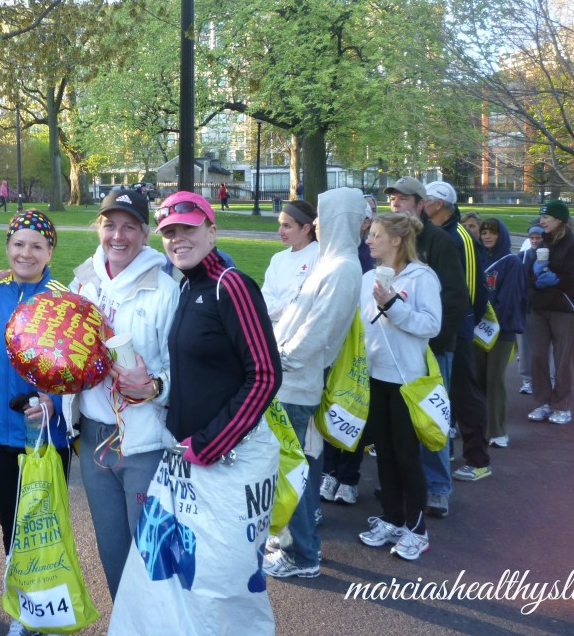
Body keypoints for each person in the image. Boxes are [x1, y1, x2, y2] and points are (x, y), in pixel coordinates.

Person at [108, 191, 281, 634]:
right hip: (183, 465)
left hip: (229, 462)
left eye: (188, 228)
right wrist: (156, 389)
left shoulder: (232, 284)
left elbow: (264, 375)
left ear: (212, 230)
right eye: (170, 232)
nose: (178, 239)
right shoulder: (188, 286)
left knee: (221, 585)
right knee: (168, 575)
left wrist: (208, 444)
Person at [65, 188, 179, 600]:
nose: (118, 236)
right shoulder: (83, 282)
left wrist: (153, 387)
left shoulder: (165, 290)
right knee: (111, 550)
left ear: (145, 233)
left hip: (144, 442)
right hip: (94, 438)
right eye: (110, 225)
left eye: (129, 226)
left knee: (151, 551)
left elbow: (183, 369)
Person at [263, 188, 365, 580]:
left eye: (323, 215)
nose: (317, 222)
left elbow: (320, 329)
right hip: (290, 377)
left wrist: (282, 357)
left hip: (297, 381)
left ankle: (302, 554)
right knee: (291, 466)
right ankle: (290, 538)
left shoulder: (342, 267)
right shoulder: (332, 262)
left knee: (295, 470)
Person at [0, 210, 70, 636]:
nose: (26, 252)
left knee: (38, 530)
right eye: (18, 243)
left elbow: (80, 368)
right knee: (10, 528)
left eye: (37, 245)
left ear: (51, 250)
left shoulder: (63, 299)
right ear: (7, 248)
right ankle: (24, 608)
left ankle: (37, 613)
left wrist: (53, 399)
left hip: (43, 440)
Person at [358, 212, 442, 562]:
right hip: (375, 378)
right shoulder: (367, 277)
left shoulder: (422, 277)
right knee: (385, 453)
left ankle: (417, 529)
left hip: (407, 381)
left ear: (396, 240)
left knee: (407, 456)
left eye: (376, 235)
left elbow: (432, 325)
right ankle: (393, 518)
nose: (369, 240)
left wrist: (393, 305)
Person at [385, 176, 467, 520]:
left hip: (431, 348)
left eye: (403, 199)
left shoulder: (440, 242)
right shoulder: (391, 242)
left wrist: (435, 342)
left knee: (431, 418)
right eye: (393, 200)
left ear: (421, 204)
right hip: (393, 348)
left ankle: (437, 487)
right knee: (400, 423)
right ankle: (406, 484)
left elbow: (455, 297)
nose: (395, 205)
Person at [421, 181, 491, 487]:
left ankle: (478, 459)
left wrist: (462, 324)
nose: (421, 204)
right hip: (437, 323)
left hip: (458, 326)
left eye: (426, 199)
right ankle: (445, 450)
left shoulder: (461, 235)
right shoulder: (430, 233)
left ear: (439, 204)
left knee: (465, 393)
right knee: (440, 392)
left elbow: (473, 290)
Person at [321, 195, 377, 506]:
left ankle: (349, 476)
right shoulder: (328, 255)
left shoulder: (366, 257)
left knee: (354, 408)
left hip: (358, 347)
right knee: (329, 407)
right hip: (332, 345)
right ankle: (330, 471)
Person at [526, 199, 574, 425]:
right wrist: (535, 278)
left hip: (562, 308)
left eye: (546, 217)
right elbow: (529, 275)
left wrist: (556, 280)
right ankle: (542, 402)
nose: (542, 221)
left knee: (563, 359)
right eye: (541, 217)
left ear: (560, 220)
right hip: (539, 307)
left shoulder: (573, 245)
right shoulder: (542, 243)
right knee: (537, 356)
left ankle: (562, 405)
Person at [476, 218, 526, 448]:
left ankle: (498, 431)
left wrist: (491, 322)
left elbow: (510, 299)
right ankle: (481, 427)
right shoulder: (477, 257)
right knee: (477, 378)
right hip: (477, 328)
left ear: (501, 235)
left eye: (492, 233)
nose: (487, 236)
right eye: (484, 231)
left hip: (501, 330)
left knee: (494, 379)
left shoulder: (512, 262)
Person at [261, 199, 319, 327]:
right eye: (280, 225)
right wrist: (291, 307)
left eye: (287, 226)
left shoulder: (320, 256)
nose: (280, 232)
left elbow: (309, 303)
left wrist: (282, 308)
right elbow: (264, 302)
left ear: (305, 229)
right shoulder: (278, 259)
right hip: (276, 335)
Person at [517, 225, 546, 394]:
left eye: (538, 238)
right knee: (525, 346)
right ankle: (527, 379)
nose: (535, 241)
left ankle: (547, 377)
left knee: (544, 347)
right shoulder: (523, 256)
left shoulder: (550, 255)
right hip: (526, 306)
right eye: (532, 238)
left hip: (544, 307)